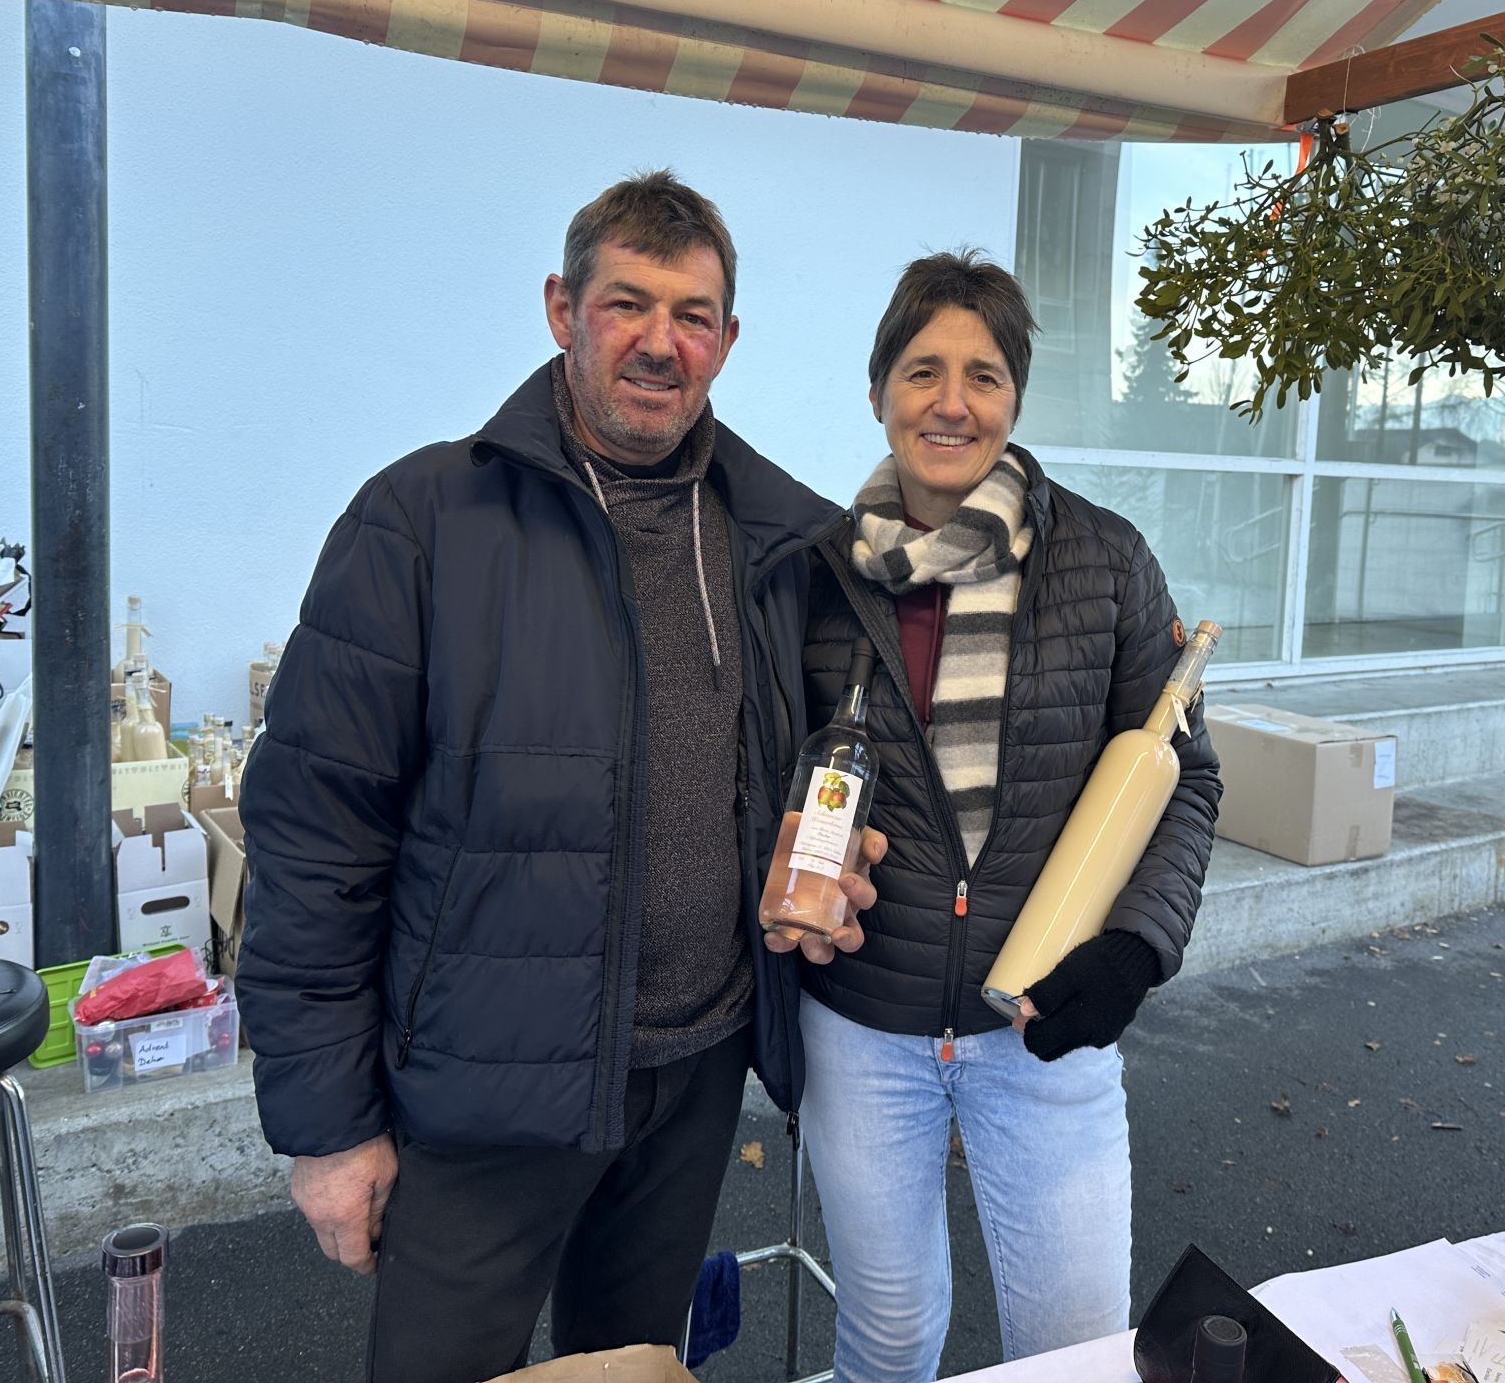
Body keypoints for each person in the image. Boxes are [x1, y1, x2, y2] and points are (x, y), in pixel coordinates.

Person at [237, 170, 881, 1383]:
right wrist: (328, 1131)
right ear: (559, 310)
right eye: (625, 303)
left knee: (630, 1374)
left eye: (691, 315)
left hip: (692, 1082)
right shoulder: (422, 522)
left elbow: (804, 778)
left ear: (727, 342)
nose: (658, 341)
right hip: (482, 1095)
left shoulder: (772, 544)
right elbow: (314, 842)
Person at [794, 251, 1222, 1381]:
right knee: (883, 1340)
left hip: (1043, 1022)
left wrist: (1133, 947)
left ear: (1015, 397)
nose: (951, 402)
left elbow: (1187, 775)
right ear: (879, 386)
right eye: (922, 370)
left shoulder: (1105, 559)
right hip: (862, 1021)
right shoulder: (814, 576)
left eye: (982, 374)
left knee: (1073, 1351)